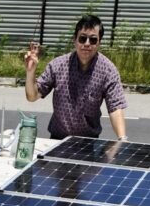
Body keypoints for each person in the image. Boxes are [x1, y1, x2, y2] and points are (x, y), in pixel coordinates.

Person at [24, 15, 128, 143]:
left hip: (89, 143)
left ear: (99, 42)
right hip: (57, 140)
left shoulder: (108, 71)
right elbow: (32, 96)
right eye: (82, 38)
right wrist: (30, 72)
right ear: (75, 40)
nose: (87, 44)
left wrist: (122, 139)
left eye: (93, 40)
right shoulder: (58, 65)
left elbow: (115, 108)